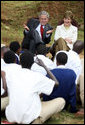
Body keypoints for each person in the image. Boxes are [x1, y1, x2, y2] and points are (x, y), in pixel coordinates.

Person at [3, 51, 65, 124]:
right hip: (28, 118)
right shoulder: (37, 76)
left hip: (11, 116)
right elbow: (56, 83)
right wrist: (44, 66)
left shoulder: (12, 75)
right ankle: (36, 121)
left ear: (19, 62)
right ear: (33, 63)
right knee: (61, 101)